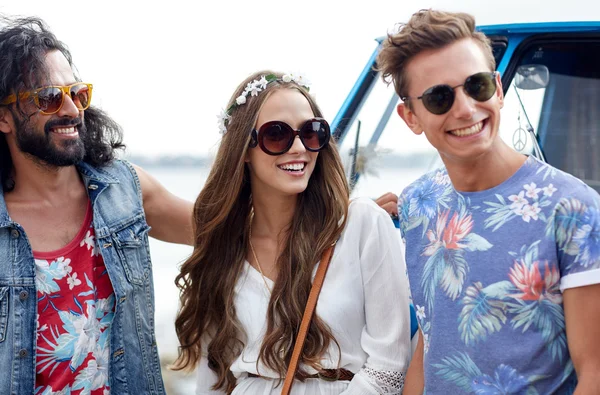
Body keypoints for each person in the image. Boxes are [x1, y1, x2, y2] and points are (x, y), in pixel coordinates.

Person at [376, 9, 600, 395]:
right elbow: (430, 343)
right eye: (439, 97)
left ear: (497, 88)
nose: (464, 109)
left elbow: (594, 373)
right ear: (410, 116)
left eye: (476, 86)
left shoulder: (573, 208)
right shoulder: (417, 204)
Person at [173, 70, 412, 394]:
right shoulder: (223, 250)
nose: (299, 147)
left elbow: (389, 365)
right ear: (243, 148)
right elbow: (213, 380)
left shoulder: (362, 225)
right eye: (277, 134)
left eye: (311, 132)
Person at [0, 16, 193, 394]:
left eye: (77, 94)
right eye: (48, 98)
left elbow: (225, 230)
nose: (71, 110)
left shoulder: (124, 190)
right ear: (4, 118)